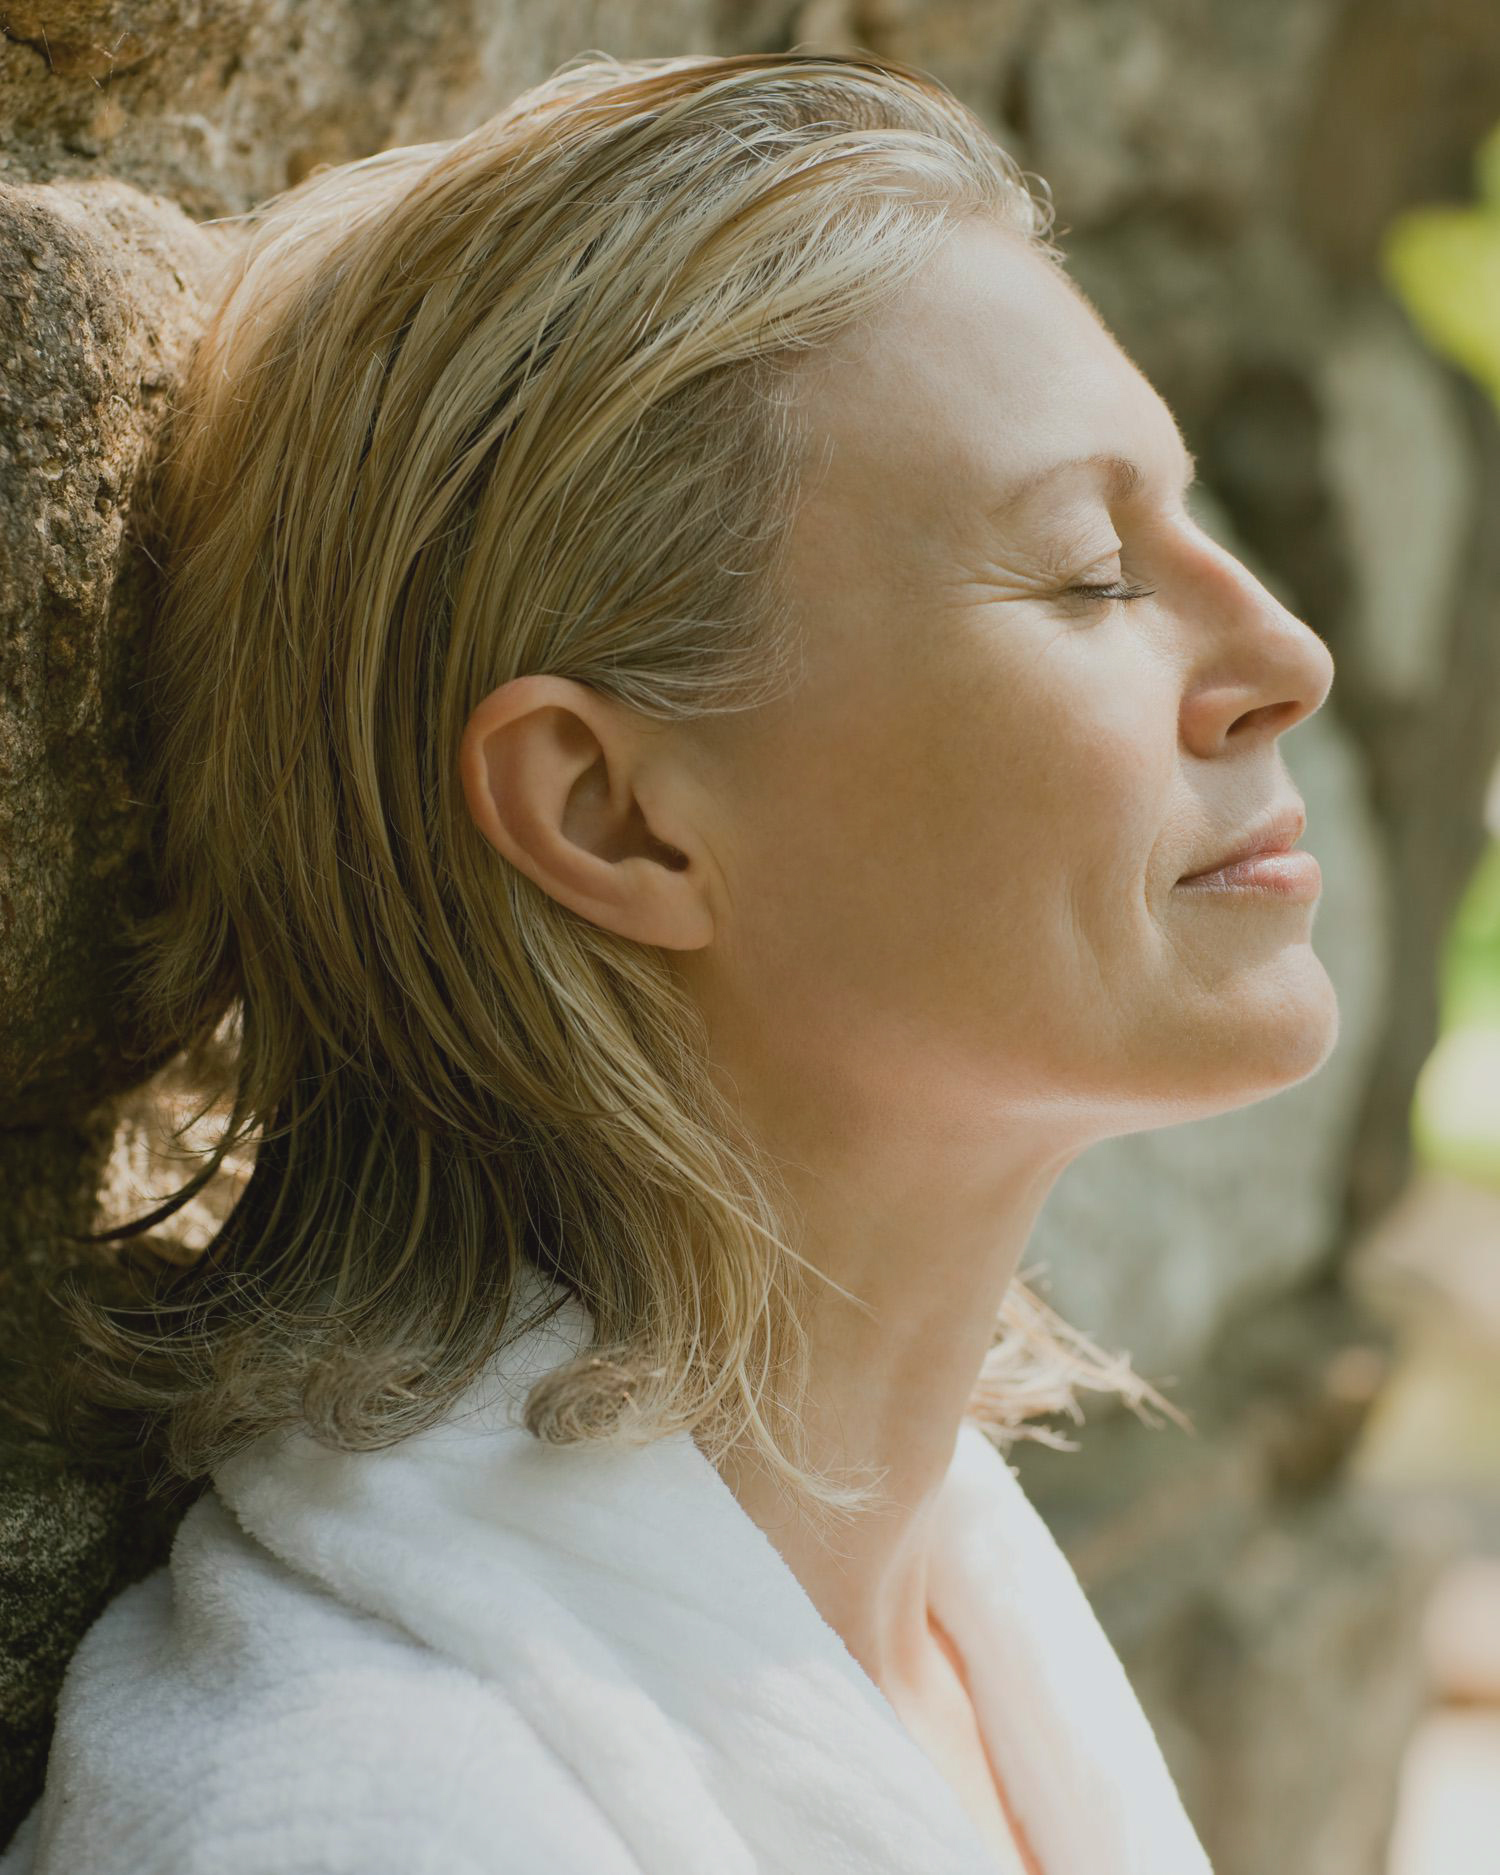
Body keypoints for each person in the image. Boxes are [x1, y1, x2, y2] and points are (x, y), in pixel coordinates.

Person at [1, 45, 1335, 1875]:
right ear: (616, 817)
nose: (1288, 654)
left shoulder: (935, 1591)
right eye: (1095, 572)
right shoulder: (366, 1816)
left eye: (1200, 527)